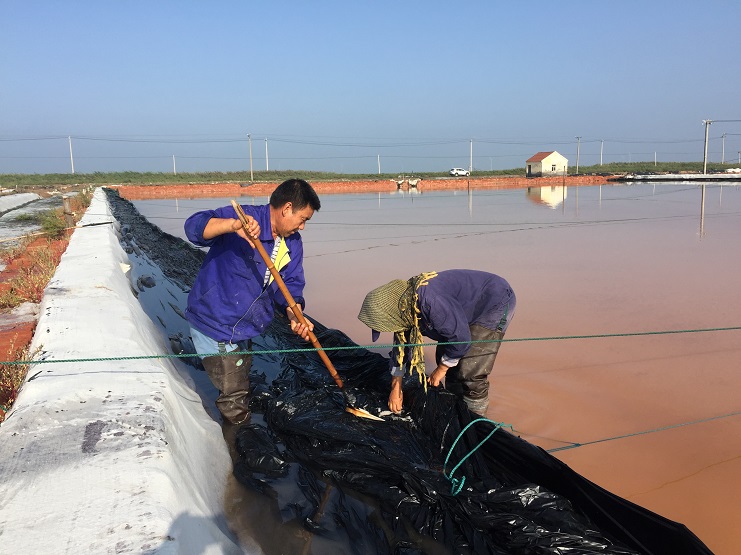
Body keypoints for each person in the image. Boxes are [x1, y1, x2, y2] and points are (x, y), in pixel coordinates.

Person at [184, 178, 321, 425]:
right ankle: (236, 435)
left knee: (240, 373)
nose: (302, 227)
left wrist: (295, 314)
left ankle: (202, 361)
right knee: (234, 399)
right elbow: (193, 227)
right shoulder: (244, 219)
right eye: (303, 219)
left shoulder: (292, 242)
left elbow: (290, 284)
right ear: (287, 208)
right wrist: (232, 226)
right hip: (216, 323)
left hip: (246, 327)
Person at [358, 269, 516, 416]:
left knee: (470, 372)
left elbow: (461, 340)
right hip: (457, 311)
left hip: (495, 301)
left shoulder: (431, 303)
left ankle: (476, 420)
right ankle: (456, 410)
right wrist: (396, 388)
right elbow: (401, 350)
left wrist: (441, 370)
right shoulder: (404, 309)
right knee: (450, 363)